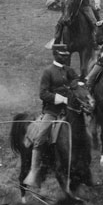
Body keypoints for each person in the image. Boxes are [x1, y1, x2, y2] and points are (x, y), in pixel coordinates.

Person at [25, 45, 80, 191]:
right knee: (41, 136)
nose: (65, 57)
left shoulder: (69, 71)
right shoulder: (48, 72)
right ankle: (34, 172)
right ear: (55, 55)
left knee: (83, 133)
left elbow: (77, 84)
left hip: (70, 111)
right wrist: (60, 98)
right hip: (52, 111)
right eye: (62, 55)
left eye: (66, 55)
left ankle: (85, 169)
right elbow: (42, 94)